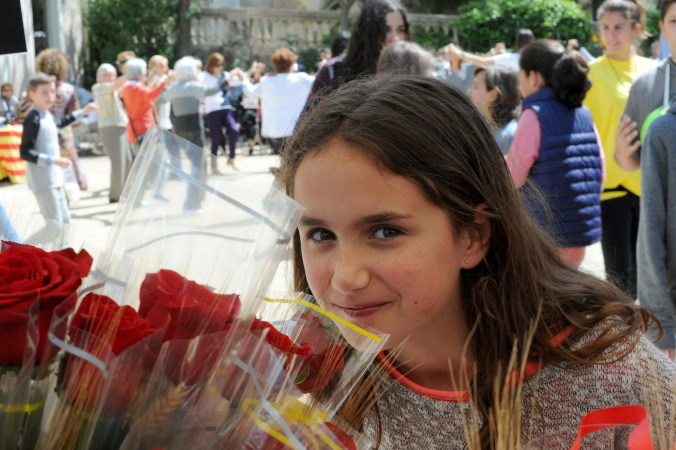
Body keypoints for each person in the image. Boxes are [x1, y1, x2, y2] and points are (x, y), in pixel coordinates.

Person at [279, 74, 674, 448]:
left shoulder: (611, 372)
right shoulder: (302, 377)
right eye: (320, 235)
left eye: (385, 232)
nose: (347, 278)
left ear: (473, 235)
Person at [583, 0, 658, 297]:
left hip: (651, 185)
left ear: (636, 30)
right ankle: (622, 340)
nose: (611, 34)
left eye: (618, 27)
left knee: (649, 275)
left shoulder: (654, 71)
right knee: (619, 279)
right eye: (605, 28)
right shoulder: (587, 73)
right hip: (609, 186)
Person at [506, 40, 603, 268]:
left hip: (544, 233)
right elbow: (601, 171)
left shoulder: (534, 115)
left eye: (520, 77)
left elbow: (513, 176)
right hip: (579, 233)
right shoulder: (584, 113)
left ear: (534, 77)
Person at [19, 73, 97, 249]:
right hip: (42, 181)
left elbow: (60, 123)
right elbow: (25, 152)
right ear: (32, 94)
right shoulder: (33, 118)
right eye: (44, 92)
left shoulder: (46, 114)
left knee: (65, 220)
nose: (50, 96)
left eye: (52, 92)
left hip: (55, 178)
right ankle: (21, 249)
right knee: (54, 224)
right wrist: (53, 160)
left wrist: (83, 112)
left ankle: (61, 255)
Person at [305, 0, 411, 107]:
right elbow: (308, 120)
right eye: (385, 29)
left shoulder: (411, 71)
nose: (395, 38)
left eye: (401, 30)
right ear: (367, 32)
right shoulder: (334, 71)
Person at [615, 0, 676, 173]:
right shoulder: (644, 85)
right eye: (674, 21)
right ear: (662, 28)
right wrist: (623, 154)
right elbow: (630, 162)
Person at [243, 48, 314, 155]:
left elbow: (249, 91)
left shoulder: (266, 81)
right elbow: (321, 82)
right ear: (292, 63)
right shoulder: (302, 79)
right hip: (297, 128)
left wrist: (246, 76)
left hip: (275, 130)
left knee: (284, 157)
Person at [36, 48, 88, 191]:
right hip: (65, 135)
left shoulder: (36, 89)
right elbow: (76, 119)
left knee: (50, 172)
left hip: (42, 134)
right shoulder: (68, 89)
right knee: (67, 169)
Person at [91, 63, 131, 203]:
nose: (110, 77)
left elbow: (122, 89)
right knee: (118, 162)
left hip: (120, 126)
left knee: (127, 160)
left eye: (112, 74)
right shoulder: (98, 87)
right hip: (110, 128)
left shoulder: (112, 89)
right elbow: (116, 85)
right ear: (99, 77)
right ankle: (115, 195)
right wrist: (130, 72)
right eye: (106, 75)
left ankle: (125, 191)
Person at [201, 52, 242, 172]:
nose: (221, 67)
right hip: (212, 109)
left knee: (234, 130)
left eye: (222, 64)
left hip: (225, 107)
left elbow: (239, 81)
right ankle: (213, 165)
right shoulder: (205, 76)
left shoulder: (224, 74)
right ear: (211, 65)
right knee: (216, 138)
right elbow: (216, 86)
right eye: (218, 64)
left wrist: (239, 74)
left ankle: (231, 158)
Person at [467, 65, 520, 154]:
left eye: (476, 86)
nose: (469, 91)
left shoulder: (512, 134)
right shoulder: (482, 130)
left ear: (493, 95)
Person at [122, 58, 168, 156]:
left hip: (136, 130)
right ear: (139, 73)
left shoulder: (128, 87)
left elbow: (147, 87)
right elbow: (152, 94)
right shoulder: (137, 88)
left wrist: (156, 72)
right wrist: (165, 81)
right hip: (145, 129)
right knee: (156, 159)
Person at [444, 29, 535, 72]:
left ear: (517, 42)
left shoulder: (509, 57)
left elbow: (480, 61)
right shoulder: (537, 60)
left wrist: (458, 53)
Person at [147, 55, 173, 134]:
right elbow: (148, 86)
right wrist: (155, 71)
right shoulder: (152, 78)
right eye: (159, 65)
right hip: (155, 121)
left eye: (164, 64)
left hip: (167, 121)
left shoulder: (167, 77)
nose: (163, 67)